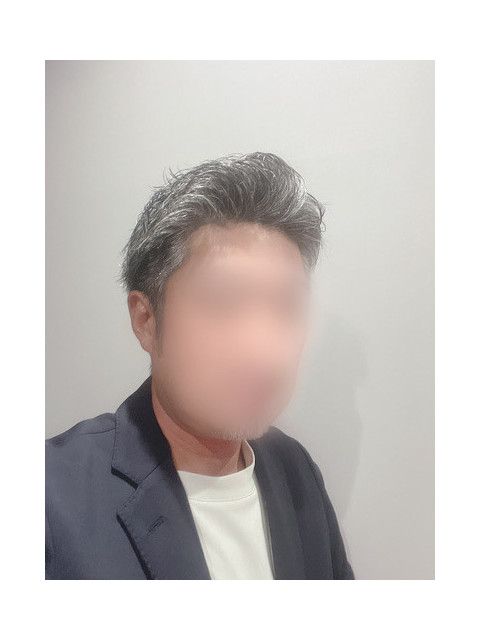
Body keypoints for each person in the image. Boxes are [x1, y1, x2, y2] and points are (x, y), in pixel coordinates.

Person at [45, 151, 355, 580]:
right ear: (146, 320)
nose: (262, 348)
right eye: (223, 303)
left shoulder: (295, 469)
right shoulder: (50, 496)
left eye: (287, 307)